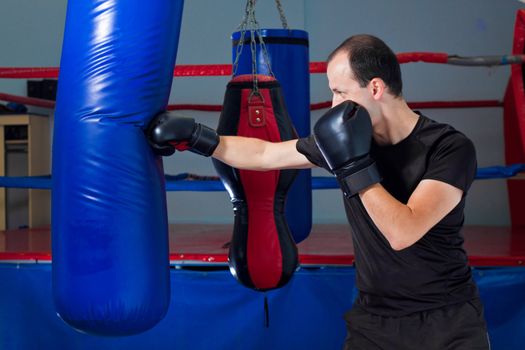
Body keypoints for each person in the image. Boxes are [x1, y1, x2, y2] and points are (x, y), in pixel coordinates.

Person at [147, 34, 490, 350]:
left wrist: (353, 165)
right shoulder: (349, 139)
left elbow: (403, 231)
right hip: (374, 319)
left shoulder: (448, 148)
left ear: (375, 88)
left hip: (446, 320)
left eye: (341, 92)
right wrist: (197, 137)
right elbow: (264, 154)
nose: (333, 105)